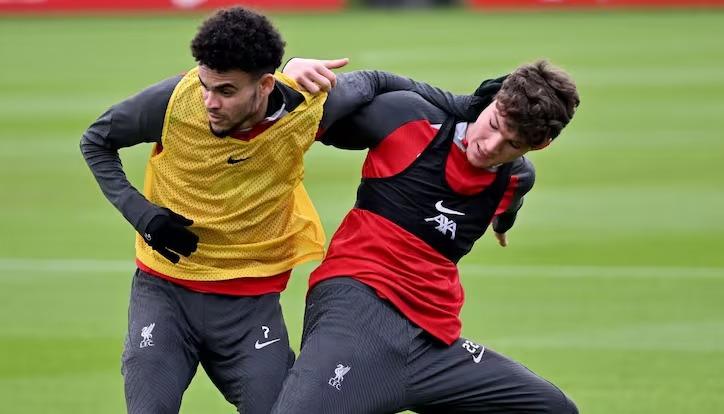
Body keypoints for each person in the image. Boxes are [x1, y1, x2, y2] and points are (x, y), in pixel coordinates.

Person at [79, 7, 465, 414]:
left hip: (250, 303)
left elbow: (376, 82)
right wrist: (143, 215)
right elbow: (96, 140)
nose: (209, 102)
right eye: (206, 85)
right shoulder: (173, 101)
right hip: (165, 292)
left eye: (226, 91)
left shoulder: (306, 111)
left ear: (265, 85)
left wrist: (466, 105)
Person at [271, 60, 581, 413]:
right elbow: (298, 117)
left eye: (511, 144)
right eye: (494, 124)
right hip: (357, 302)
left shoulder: (514, 179)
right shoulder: (411, 119)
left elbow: (513, 203)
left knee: (552, 409)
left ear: (537, 146)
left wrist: (502, 226)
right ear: (495, 101)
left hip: (430, 340)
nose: (491, 145)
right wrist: (292, 73)